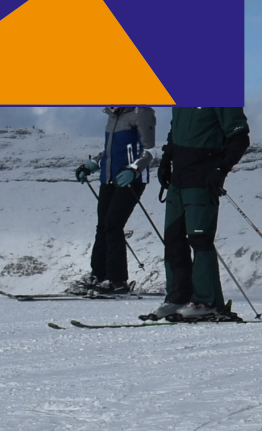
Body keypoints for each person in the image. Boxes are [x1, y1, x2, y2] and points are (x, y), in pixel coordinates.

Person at [147, 107, 249, 322]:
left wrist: (221, 168)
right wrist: (166, 160)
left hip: (202, 178)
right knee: (173, 239)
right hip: (178, 179)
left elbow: (240, 137)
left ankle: (207, 302)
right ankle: (178, 299)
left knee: (200, 239)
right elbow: (174, 132)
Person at [69, 106, 157, 295]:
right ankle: (98, 276)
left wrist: (133, 170)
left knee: (113, 224)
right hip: (109, 179)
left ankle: (117, 280)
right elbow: (110, 152)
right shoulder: (112, 116)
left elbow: (149, 151)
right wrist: (93, 164)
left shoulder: (141, 112)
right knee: (102, 226)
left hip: (131, 180)